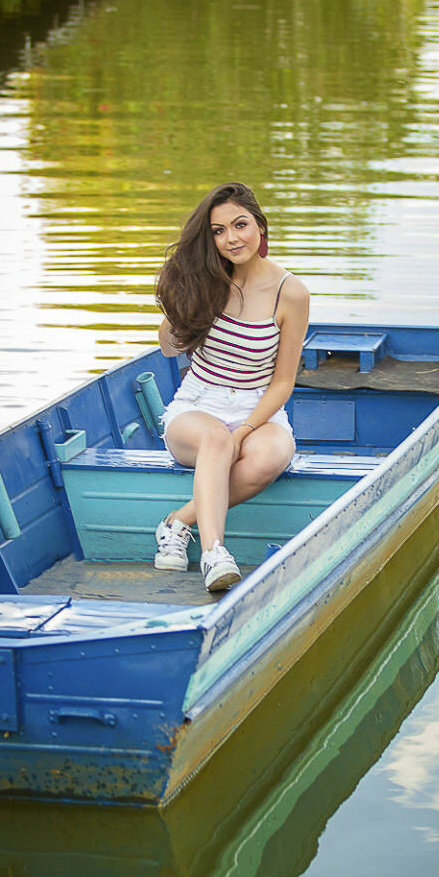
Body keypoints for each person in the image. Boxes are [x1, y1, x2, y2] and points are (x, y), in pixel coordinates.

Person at [152, 182, 310, 593]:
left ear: (259, 225)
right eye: (218, 231)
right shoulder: (208, 280)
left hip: (259, 406)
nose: (231, 239)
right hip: (197, 405)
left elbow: (283, 381)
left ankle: (178, 522)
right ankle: (214, 554)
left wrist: (247, 428)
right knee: (217, 439)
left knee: (272, 455)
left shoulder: (290, 293)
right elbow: (170, 349)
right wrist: (182, 301)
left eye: (239, 225)